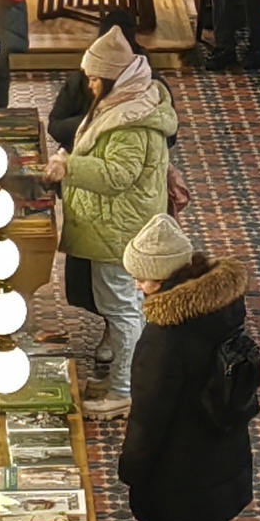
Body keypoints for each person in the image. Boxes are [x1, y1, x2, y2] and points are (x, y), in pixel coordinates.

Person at [115, 211, 255, 521]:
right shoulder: (219, 307)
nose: (138, 286)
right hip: (222, 453)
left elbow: (149, 415)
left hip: (183, 469)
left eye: (143, 278)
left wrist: (132, 468)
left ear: (163, 277)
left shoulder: (166, 337)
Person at [53, 22, 180, 416]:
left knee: (122, 311)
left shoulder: (130, 119)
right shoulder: (127, 100)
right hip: (113, 225)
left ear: (112, 78)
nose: (89, 86)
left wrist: (68, 167)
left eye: (94, 79)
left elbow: (117, 175)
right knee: (123, 307)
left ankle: (124, 389)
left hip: (117, 228)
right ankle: (121, 381)